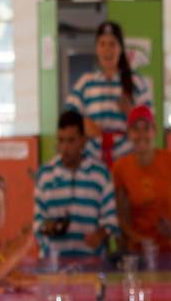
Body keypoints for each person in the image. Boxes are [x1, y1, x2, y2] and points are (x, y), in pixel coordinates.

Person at [33, 108, 118, 259]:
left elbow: (111, 219)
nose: (65, 148)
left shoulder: (100, 174)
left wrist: (100, 235)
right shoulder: (45, 175)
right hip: (53, 263)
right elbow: (38, 221)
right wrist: (48, 227)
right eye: (61, 140)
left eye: (71, 140)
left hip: (92, 262)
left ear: (83, 140)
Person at [66, 20, 152, 166]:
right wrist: (84, 124)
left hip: (128, 158)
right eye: (102, 44)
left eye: (112, 44)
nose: (107, 50)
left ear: (121, 48)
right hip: (91, 160)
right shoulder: (85, 82)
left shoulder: (137, 82)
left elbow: (150, 123)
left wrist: (132, 114)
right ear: (96, 49)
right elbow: (69, 119)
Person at [112, 106, 171, 253]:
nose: (141, 134)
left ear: (154, 131)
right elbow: (121, 216)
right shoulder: (121, 168)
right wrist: (136, 238)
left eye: (146, 128)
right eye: (135, 129)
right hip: (139, 252)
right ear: (129, 133)